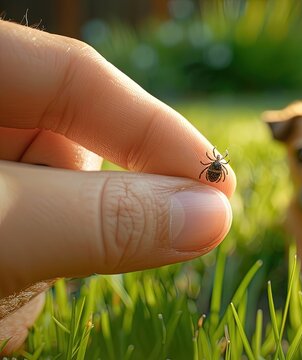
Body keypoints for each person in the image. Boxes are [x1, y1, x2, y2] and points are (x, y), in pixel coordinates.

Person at [0, 20, 235, 354]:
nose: (214, 167)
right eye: (215, 165)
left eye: (216, 166)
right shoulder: (213, 167)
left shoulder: (210, 165)